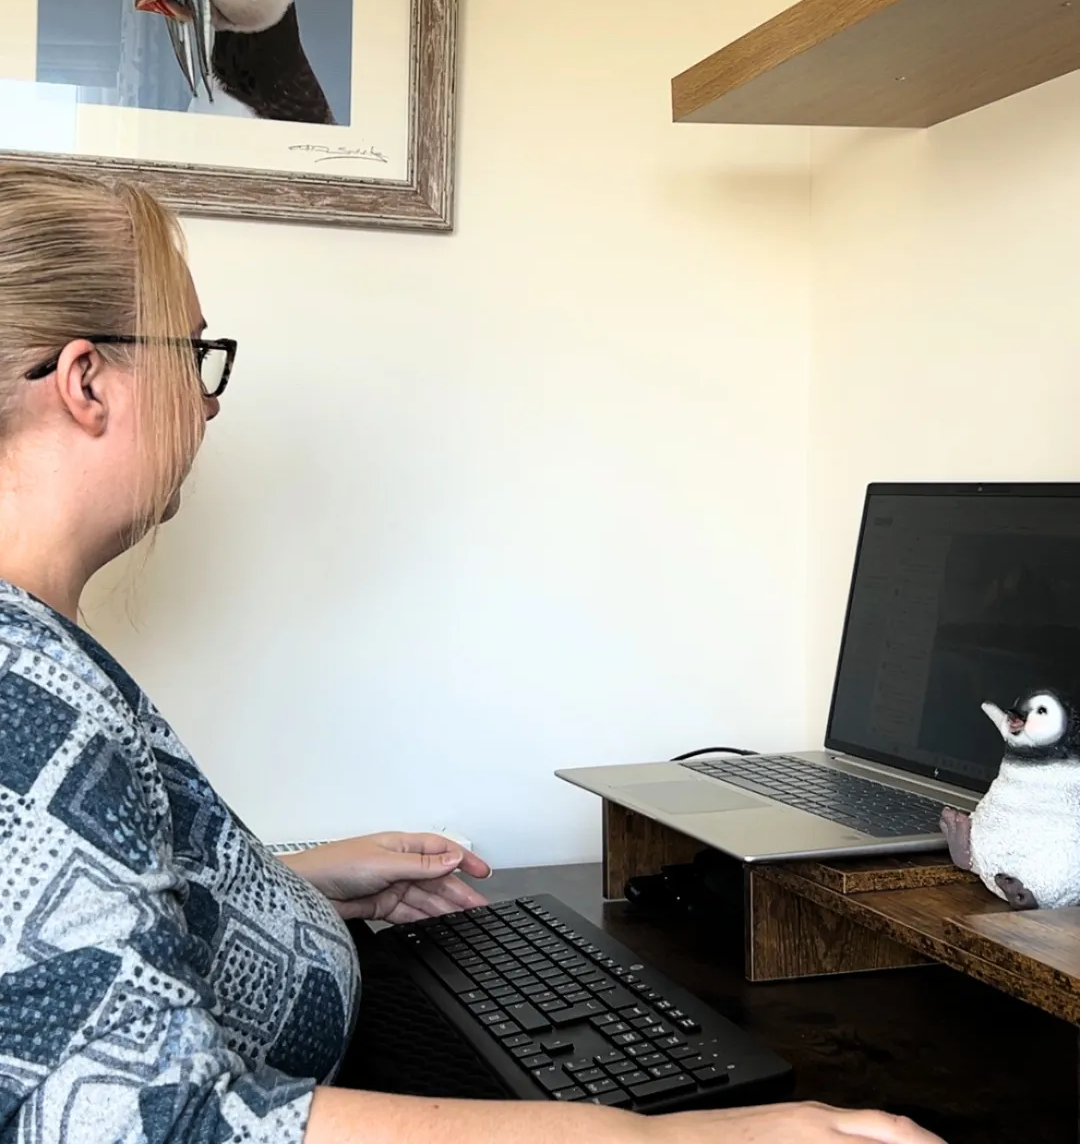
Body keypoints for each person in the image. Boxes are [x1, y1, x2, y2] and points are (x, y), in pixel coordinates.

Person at [0, 164, 947, 1144]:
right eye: (197, 356)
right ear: (86, 383)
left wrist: (303, 877)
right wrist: (664, 1140)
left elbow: (76, 925)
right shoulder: (18, 693)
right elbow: (140, 1124)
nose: (209, 405)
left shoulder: (34, 656)